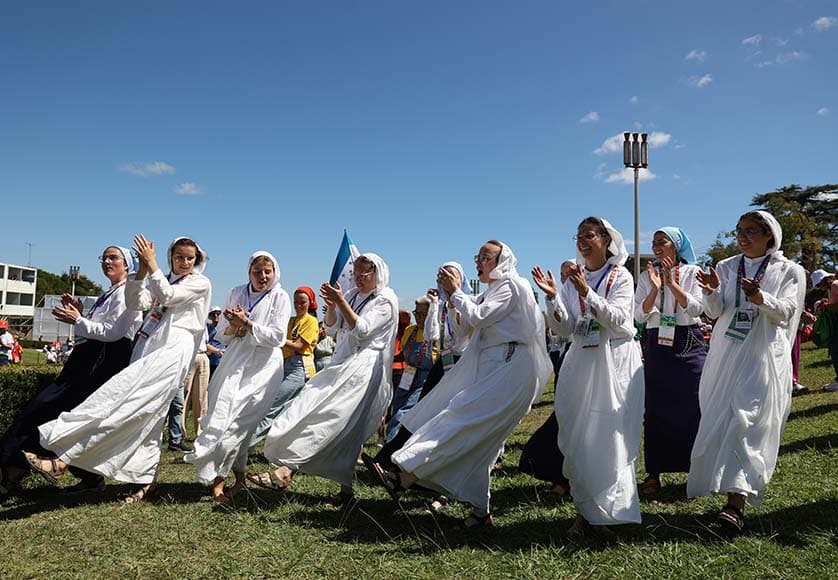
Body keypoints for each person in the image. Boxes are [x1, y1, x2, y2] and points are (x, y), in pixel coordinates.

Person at [366, 240, 552, 528]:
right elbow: (465, 326)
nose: (479, 261)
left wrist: (455, 292)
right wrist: (447, 300)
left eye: (486, 257)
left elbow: (479, 316)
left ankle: (404, 472)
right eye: (478, 257)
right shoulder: (493, 290)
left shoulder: (511, 284)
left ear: (502, 260)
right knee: (483, 443)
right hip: (494, 364)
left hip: (511, 365)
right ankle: (480, 511)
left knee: (460, 415)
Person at [28, 236, 211, 504]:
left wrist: (153, 266)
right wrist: (141, 275)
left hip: (173, 352)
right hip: (148, 347)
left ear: (197, 261)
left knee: (121, 404)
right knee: (148, 419)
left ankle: (63, 459)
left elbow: (168, 297)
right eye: (179, 257)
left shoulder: (199, 282)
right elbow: (138, 302)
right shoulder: (164, 279)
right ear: (172, 256)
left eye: (189, 258)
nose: (184, 263)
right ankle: (146, 483)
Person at [687, 211, 806, 535]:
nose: (742, 236)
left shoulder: (789, 271)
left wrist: (759, 296)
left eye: (750, 231)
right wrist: (711, 292)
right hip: (726, 355)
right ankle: (728, 491)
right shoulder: (725, 267)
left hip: (763, 355)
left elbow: (786, 313)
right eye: (739, 230)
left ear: (769, 235)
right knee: (724, 417)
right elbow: (714, 313)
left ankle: (735, 505)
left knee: (747, 419)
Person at [247, 253, 397, 505]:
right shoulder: (351, 295)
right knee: (314, 409)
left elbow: (362, 330)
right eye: (355, 274)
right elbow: (332, 325)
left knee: (336, 421)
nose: (358, 279)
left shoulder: (386, 300)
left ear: (377, 275)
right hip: (342, 363)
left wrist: (341, 301)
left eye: (364, 275)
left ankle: (288, 472)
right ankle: (328, 484)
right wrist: (334, 305)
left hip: (364, 368)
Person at [533, 217, 644, 539]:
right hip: (581, 359)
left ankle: (610, 512)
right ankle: (584, 511)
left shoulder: (620, 276)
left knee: (611, 435)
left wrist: (587, 292)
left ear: (606, 240)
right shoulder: (571, 282)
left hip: (614, 361)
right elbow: (565, 328)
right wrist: (554, 297)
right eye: (578, 236)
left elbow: (620, 320)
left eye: (589, 235)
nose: (582, 242)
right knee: (578, 435)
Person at [0, 246, 142, 494]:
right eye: (104, 258)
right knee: (62, 412)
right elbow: (98, 329)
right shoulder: (111, 293)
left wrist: (77, 319)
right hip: (91, 358)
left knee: (54, 410)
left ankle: (14, 465)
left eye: (113, 257)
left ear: (127, 265)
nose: (107, 261)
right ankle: (77, 475)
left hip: (102, 360)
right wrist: (80, 314)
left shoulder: (125, 294)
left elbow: (113, 333)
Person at [185, 251, 291, 507]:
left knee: (238, 424)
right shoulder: (235, 292)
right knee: (222, 417)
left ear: (274, 273)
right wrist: (235, 325)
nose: (262, 276)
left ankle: (218, 481)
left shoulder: (280, 296)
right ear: (249, 272)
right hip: (234, 363)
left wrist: (250, 324)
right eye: (257, 271)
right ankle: (240, 479)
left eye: (267, 272)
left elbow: (277, 337)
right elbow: (222, 334)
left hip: (263, 369)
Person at [633, 227, 707, 496]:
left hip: (688, 339)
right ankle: (654, 473)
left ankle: (697, 470)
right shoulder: (645, 275)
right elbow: (639, 316)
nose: (656, 246)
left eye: (661, 241)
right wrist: (654, 288)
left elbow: (698, 309)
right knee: (655, 405)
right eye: (653, 242)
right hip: (657, 341)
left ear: (675, 245)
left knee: (694, 402)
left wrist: (671, 284)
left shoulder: (692, 273)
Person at [518, 259, 576, 498]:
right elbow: (561, 328)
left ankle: (568, 478)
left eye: (571, 273)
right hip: (569, 358)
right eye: (563, 274)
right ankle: (561, 475)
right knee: (564, 417)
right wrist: (552, 298)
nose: (566, 278)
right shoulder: (564, 294)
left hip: (593, 361)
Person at [248, 286, 320, 448]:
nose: (299, 305)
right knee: (285, 410)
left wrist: (275, 339)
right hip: (285, 363)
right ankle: (282, 448)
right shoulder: (292, 320)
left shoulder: (311, 321)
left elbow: (299, 345)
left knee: (272, 405)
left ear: (310, 303)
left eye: (303, 302)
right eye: (296, 302)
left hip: (300, 365)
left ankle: (244, 446)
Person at [383, 296, 438, 442]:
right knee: (397, 406)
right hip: (407, 375)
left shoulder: (435, 334)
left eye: (422, 314)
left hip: (424, 379)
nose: (418, 318)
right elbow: (403, 354)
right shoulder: (410, 330)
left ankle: (391, 443)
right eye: (417, 313)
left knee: (405, 410)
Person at [206, 306, 225, 377]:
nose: (216, 316)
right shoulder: (207, 329)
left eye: (218, 313)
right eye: (213, 314)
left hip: (221, 361)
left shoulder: (225, 327)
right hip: (209, 361)